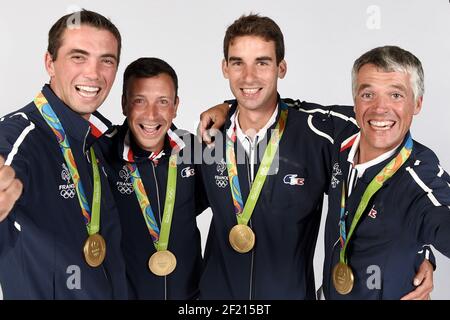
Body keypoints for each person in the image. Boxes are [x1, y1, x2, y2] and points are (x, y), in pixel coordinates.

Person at [197, 15, 434, 300]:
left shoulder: (318, 133)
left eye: (262, 62)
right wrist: (227, 107)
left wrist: (422, 251)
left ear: (280, 68)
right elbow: (174, 211)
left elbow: (391, 155)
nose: (249, 77)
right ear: (225, 68)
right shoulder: (208, 137)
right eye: (238, 63)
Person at [0, 10, 127, 299]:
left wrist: (229, 107)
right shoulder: (21, 134)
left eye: (106, 60)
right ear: (50, 63)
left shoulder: (102, 141)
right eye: (78, 57)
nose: (93, 73)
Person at [322, 46, 450, 299]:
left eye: (396, 95)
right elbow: (281, 110)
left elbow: (440, 214)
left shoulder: (420, 177)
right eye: (368, 94)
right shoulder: (339, 132)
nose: (380, 108)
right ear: (355, 102)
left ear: (417, 103)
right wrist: (224, 110)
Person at [98, 57, 207, 299]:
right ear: (124, 104)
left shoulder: (194, 150)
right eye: (140, 101)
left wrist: (226, 107)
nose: (151, 114)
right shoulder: (100, 152)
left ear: (176, 105)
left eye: (163, 102)